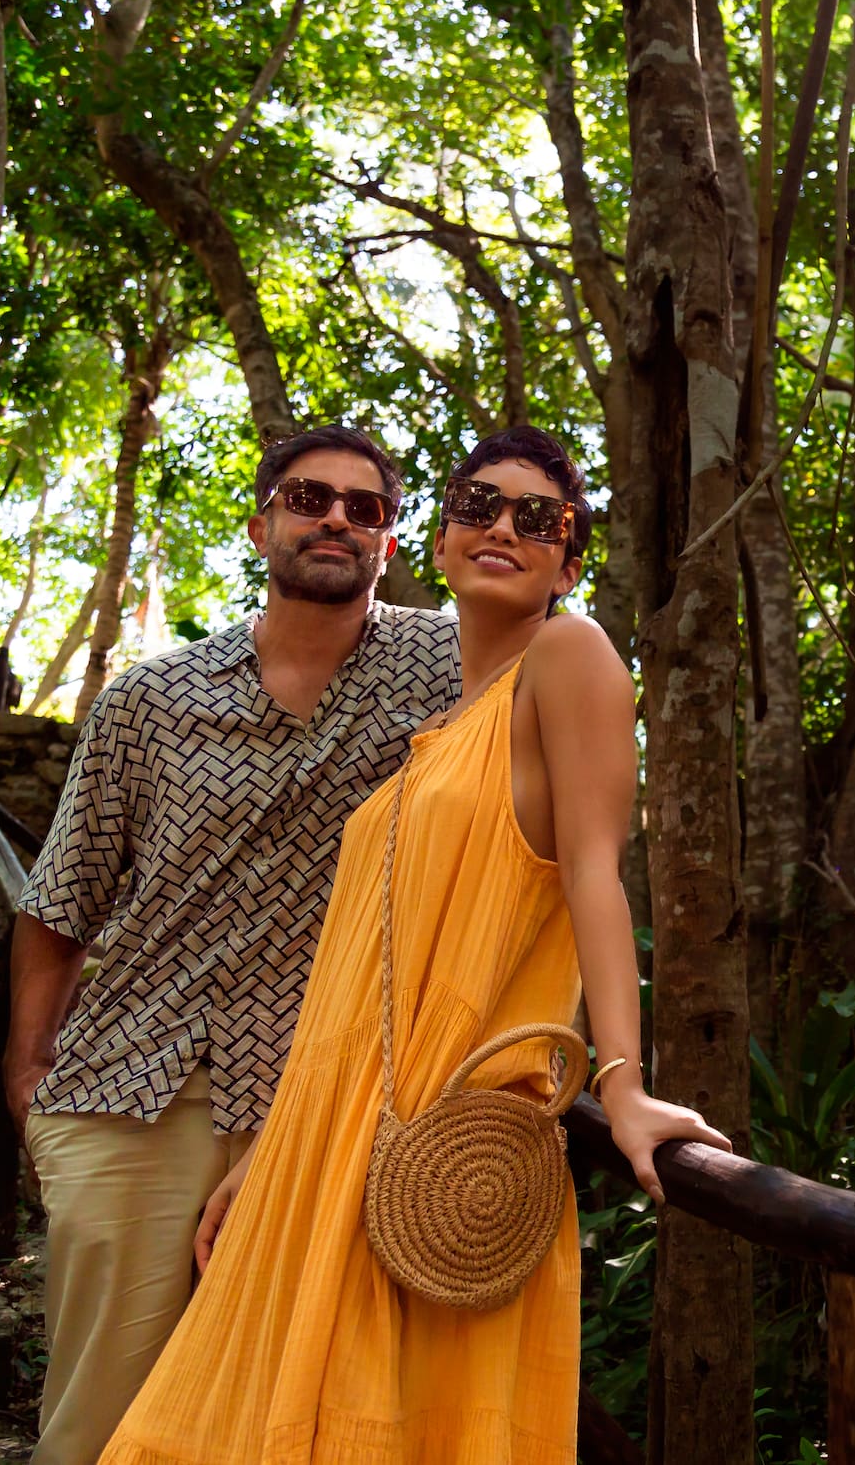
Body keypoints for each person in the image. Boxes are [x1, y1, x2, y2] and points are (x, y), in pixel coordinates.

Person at [96, 425, 727, 1464]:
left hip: (438, 1144)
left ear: (569, 562)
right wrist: (267, 1152)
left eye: (538, 520)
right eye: (476, 506)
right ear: (434, 543)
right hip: (328, 1141)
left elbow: (594, 875)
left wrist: (620, 1083)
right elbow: (360, 976)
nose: (501, 529)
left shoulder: (567, 657)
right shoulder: (438, 729)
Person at [10, 426, 462, 1464]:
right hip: (129, 1093)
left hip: (325, 1107)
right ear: (261, 524)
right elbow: (57, 902)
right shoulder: (149, 698)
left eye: (367, 506)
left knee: (287, 1430)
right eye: (309, 497)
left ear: (390, 545)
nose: (337, 517)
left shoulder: (449, 676)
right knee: (98, 1430)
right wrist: (31, 1086)